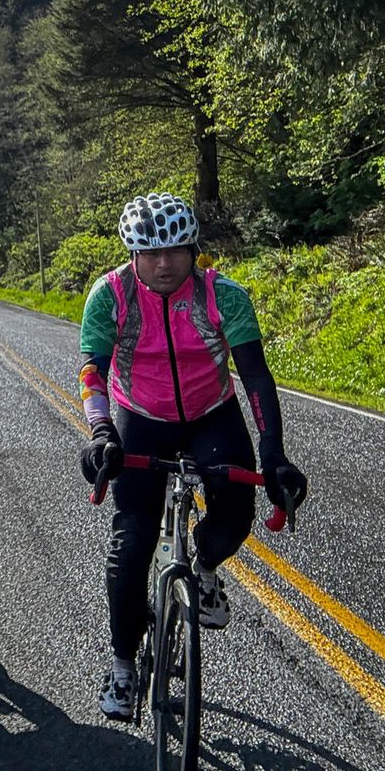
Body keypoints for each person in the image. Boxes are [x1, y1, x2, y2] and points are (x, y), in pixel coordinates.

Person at [78, 193, 307, 721]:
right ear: (133, 255)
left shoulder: (223, 296)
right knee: (130, 546)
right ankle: (122, 665)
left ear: (193, 250)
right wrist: (100, 431)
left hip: (211, 413)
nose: (164, 264)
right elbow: (93, 370)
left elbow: (255, 376)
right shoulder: (110, 296)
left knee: (236, 509)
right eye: (151, 254)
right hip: (140, 415)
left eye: (176, 251)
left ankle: (202, 569)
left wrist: (273, 454)